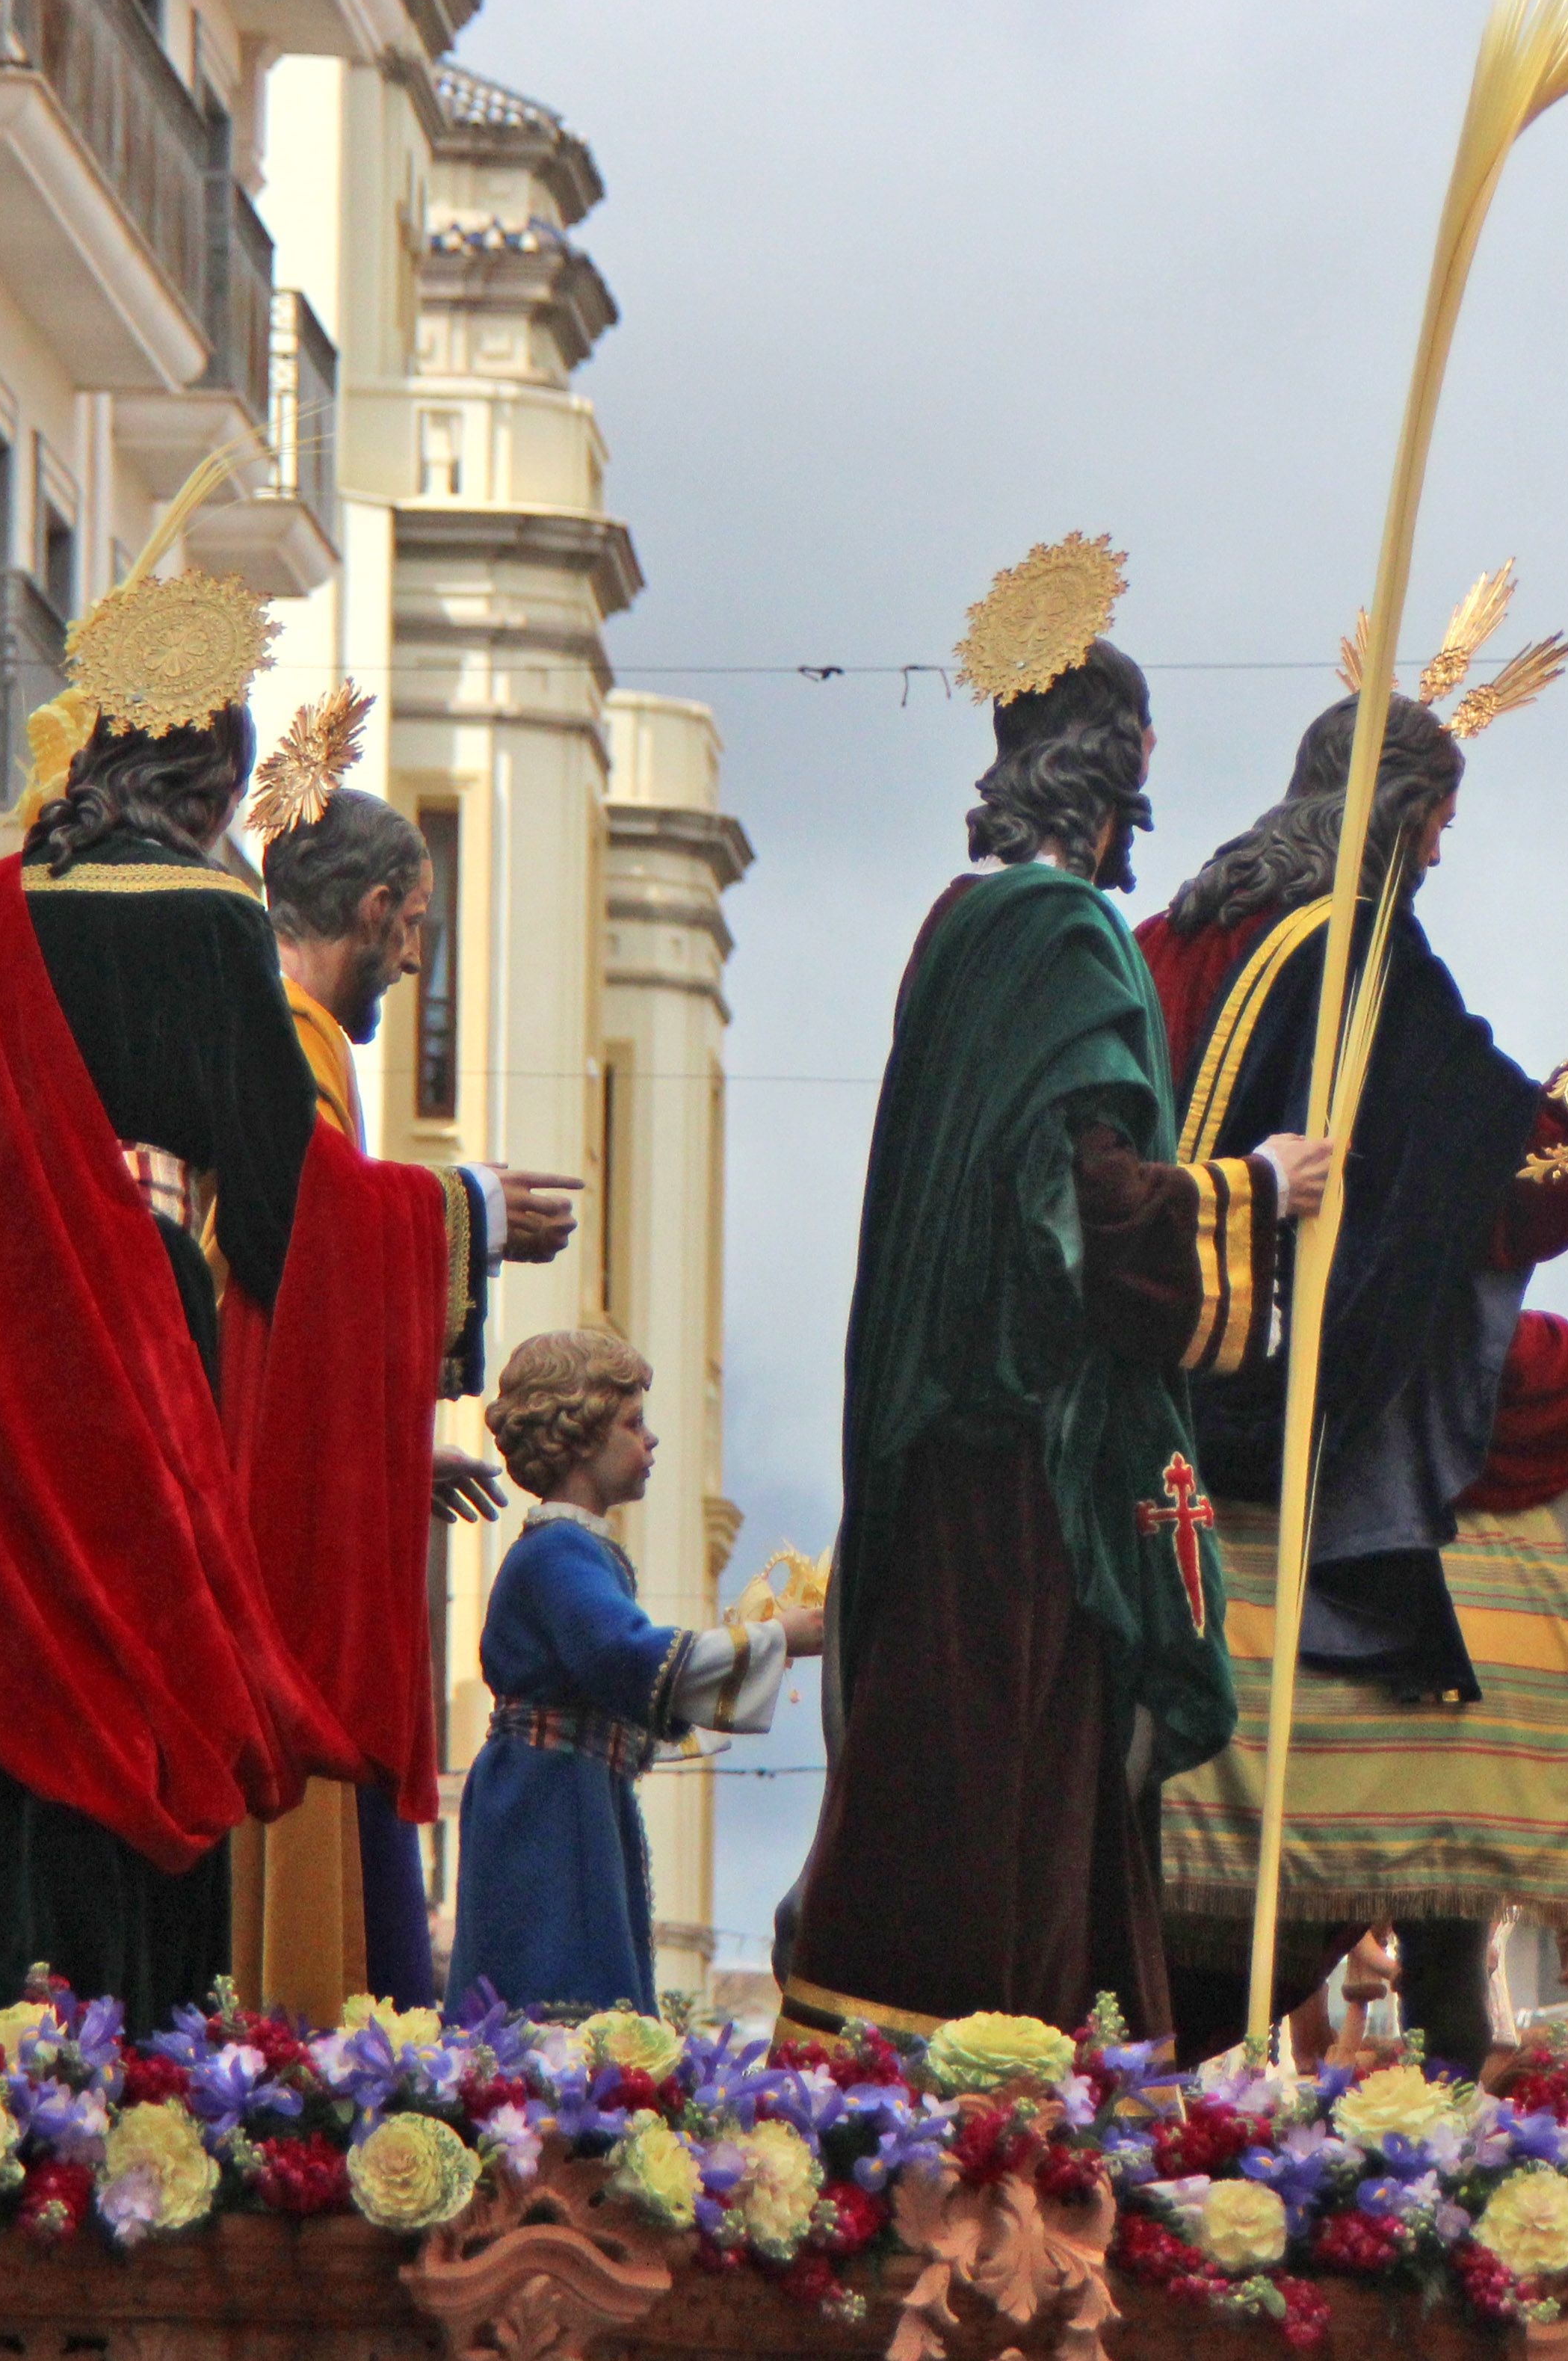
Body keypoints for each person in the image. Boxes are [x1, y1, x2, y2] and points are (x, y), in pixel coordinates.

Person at [0, 562, 576, 2019]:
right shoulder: (204, 922)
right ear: (211, 784)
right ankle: (102, 2119)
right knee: (112, 1726)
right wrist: (472, 1211)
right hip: (112, 1381)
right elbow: (285, 1206)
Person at [780, 534, 1334, 2044]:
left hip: (919, 1441)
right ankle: (1004, 2083)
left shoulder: (949, 929)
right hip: (1035, 1455)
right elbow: (1080, 1203)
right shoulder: (1071, 932)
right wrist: (1255, 1187)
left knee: (925, 1773)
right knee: (1018, 1795)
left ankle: (884, 2054)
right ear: (1116, 780)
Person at [1136, 574, 1568, 1703]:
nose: (1436, 859)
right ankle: (1442, 1651)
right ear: (1397, 815)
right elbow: (1508, 1178)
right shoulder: (1362, 957)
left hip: (1131, 1320)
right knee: (1562, 1379)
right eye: (1437, 827)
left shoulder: (1160, 933)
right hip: (1267, 1366)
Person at [239, 773, 568, 2017]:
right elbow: (309, 1231)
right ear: (375, 908)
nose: (414, 962)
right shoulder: (283, 1033)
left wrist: (388, 1450)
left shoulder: (300, 1037)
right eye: (416, 929)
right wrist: (470, 1205)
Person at [449, 1328, 817, 2015]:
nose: (650, 1441)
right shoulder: (559, 1552)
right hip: (549, 1809)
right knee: (557, 1995)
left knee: (586, 1989)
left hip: (574, 1793)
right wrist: (775, 1635)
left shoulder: (576, 1550)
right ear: (579, 1433)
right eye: (632, 1422)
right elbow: (624, 1655)